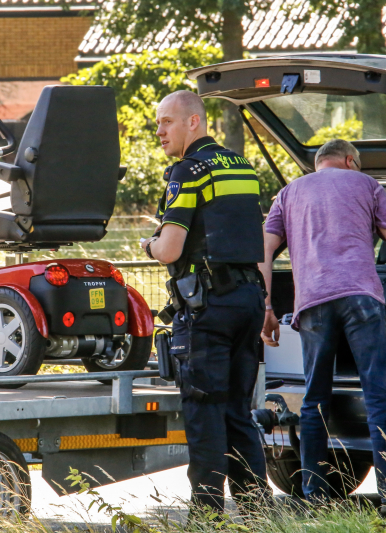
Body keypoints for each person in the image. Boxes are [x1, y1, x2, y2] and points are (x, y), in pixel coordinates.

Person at [259, 139, 386, 506]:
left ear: (319, 162)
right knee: (377, 394)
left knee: (314, 400)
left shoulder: (289, 193)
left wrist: (266, 307)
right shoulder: (367, 185)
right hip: (361, 298)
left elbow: (261, 252)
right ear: (349, 160)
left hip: (312, 303)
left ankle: (314, 493)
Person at [140, 90, 269, 513]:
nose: (159, 131)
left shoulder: (188, 170)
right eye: (158, 123)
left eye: (166, 122)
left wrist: (149, 243)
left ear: (194, 122)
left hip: (207, 307)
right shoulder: (243, 166)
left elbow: (171, 249)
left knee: (204, 410)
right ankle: (255, 512)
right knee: (237, 409)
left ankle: (207, 515)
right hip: (248, 299)